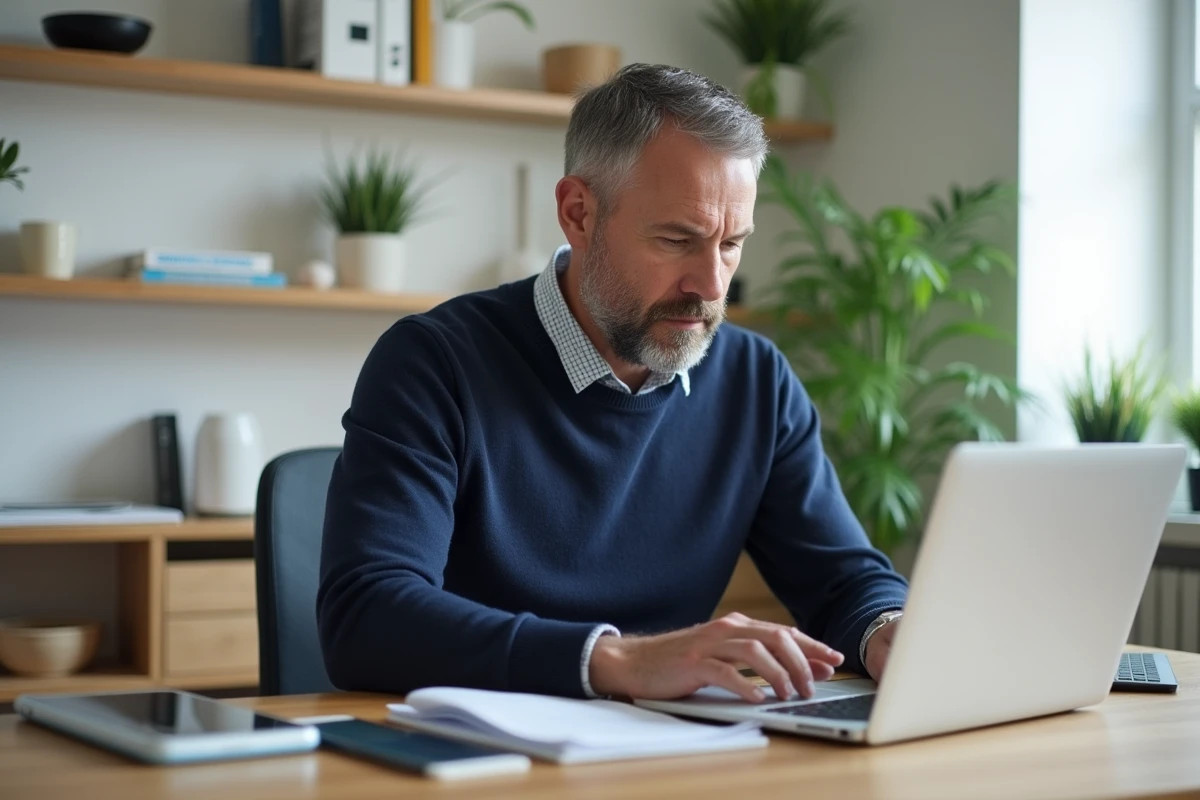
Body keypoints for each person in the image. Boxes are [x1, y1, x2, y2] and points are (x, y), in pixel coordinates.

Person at [318, 63, 908, 705]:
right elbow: (366, 617)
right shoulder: (433, 363)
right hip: (480, 760)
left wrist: (887, 629)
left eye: (732, 244)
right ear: (578, 213)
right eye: (677, 239)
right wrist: (616, 659)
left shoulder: (756, 381)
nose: (713, 286)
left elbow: (844, 579)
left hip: (671, 754)